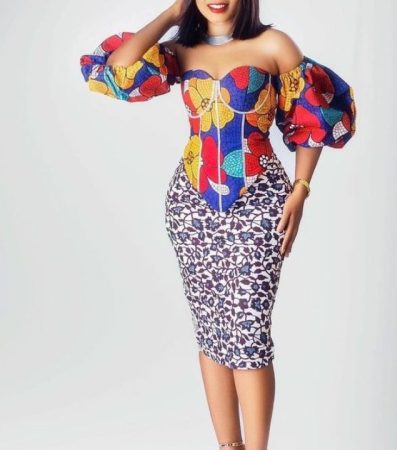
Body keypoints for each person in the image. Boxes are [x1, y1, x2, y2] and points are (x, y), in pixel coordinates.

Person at [79, 1, 357, 448]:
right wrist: (171, 16)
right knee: (211, 329)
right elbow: (116, 73)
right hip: (190, 204)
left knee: (248, 331)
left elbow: (313, 119)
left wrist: (301, 189)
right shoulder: (180, 50)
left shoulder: (274, 45)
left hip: (260, 201)